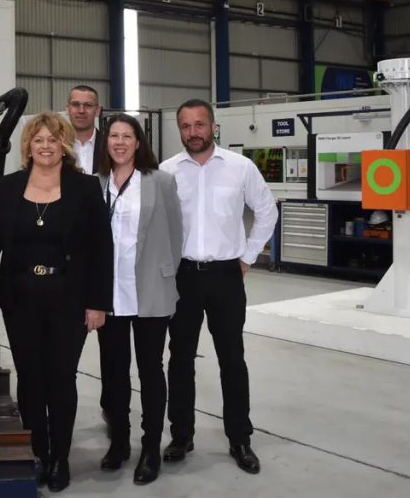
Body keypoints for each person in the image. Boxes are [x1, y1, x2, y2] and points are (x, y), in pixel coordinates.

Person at [0, 111, 112, 493]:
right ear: (28, 146)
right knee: (30, 378)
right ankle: (38, 454)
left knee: (62, 379)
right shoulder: (8, 186)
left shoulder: (85, 188)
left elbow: (102, 249)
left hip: (70, 298)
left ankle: (60, 457)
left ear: (65, 145)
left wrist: (98, 303)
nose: (46, 146)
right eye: (38, 140)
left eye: (53, 139)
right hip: (20, 298)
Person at [160, 99, 277, 475]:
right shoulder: (166, 171)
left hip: (226, 275)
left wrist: (248, 256)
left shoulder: (240, 168)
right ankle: (181, 435)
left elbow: (267, 210)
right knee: (180, 359)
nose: (193, 132)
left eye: (199, 124)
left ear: (213, 126)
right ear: (179, 130)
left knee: (232, 358)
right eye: (185, 126)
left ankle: (240, 438)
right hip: (182, 277)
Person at [95, 113, 182, 485]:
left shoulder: (160, 181)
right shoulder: (95, 184)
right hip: (109, 294)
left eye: (126, 136)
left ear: (138, 142)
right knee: (114, 372)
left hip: (150, 290)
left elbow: (176, 234)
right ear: (106, 143)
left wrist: (165, 273)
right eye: (113, 136)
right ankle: (119, 443)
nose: (119, 142)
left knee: (150, 371)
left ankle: (150, 448)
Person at [67, 85, 103, 173]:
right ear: (68, 109)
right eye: (75, 104)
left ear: (97, 110)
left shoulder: (108, 145)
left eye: (88, 105)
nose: (81, 110)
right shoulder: (57, 145)